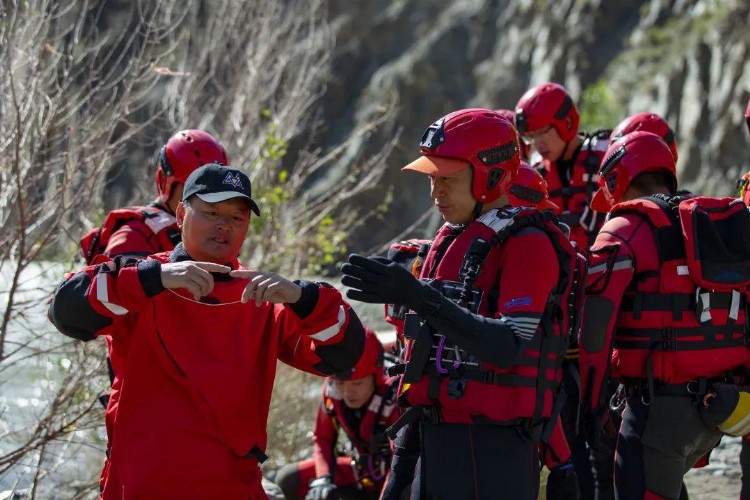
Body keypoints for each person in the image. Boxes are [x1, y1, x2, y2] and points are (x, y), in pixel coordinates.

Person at [49, 163, 366, 499]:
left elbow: (344, 356)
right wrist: (154, 277)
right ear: (182, 213)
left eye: (236, 217)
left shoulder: (263, 298)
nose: (223, 226)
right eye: (212, 212)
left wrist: (303, 297)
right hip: (141, 486)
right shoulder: (141, 281)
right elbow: (65, 312)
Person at [341, 108, 577, 499]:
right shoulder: (451, 240)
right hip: (435, 439)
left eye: (447, 179)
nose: (436, 192)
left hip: (494, 452)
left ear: (493, 175)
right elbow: (426, 364)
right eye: (432, 179)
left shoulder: (528, 244)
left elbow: (507, 345)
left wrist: (417, 295)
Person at [578, 131, 750, 500]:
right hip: (722, 409)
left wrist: (591, 410)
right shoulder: (716, 225)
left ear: (614, 179)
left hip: (656, 413)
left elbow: (593, 334)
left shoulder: (624, 229)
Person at [275, 331, 399, 500]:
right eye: (341, 383)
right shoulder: (333, 389)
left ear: (375, 376)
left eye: (357, 383)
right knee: (288, 479)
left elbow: (401, 462)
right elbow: (323, 438)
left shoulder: (395, 396)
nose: (348, 392)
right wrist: (323, 479)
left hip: (396, 474)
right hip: (361, 471)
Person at [514, 82, 610, 251]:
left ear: (567, 123)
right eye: (530, 137)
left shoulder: (606, 154)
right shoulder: (536, 171)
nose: (537, 143)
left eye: (542, 132)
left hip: (607, 264)